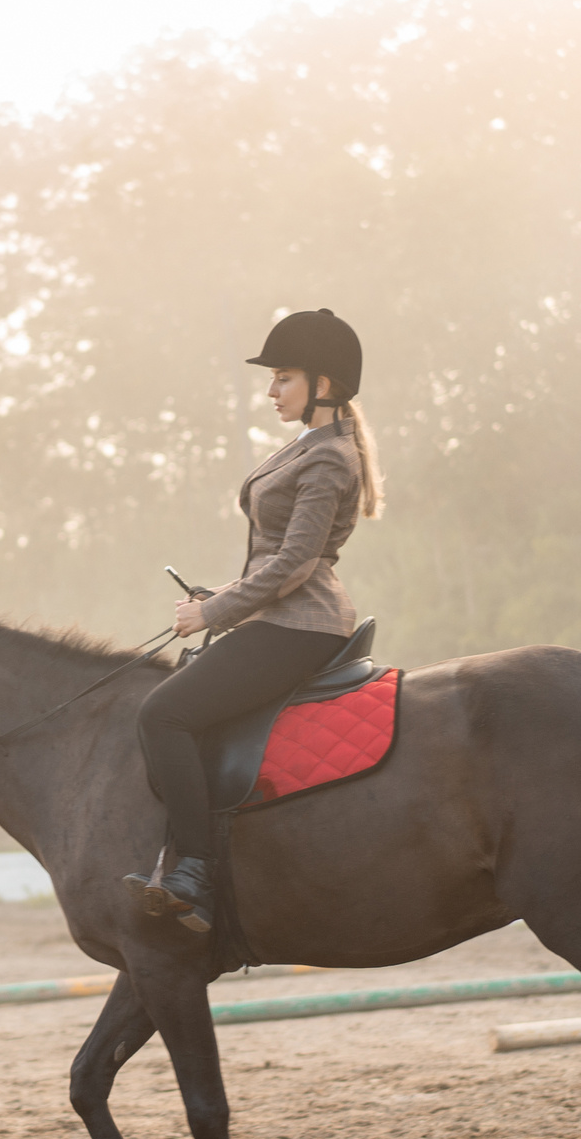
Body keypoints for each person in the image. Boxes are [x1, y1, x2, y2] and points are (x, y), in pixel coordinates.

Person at [126, 308, 386, 932]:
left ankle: (194, 870)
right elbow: (278, 558)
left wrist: (213, 611)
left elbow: (296, 560)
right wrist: (224, 592)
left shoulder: (328, 457)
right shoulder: (307, 445)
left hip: (302, 624)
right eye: (272, 379)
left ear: (324, 384)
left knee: (162, 713)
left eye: (284, 378)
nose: (271, 392)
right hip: (278, 613)